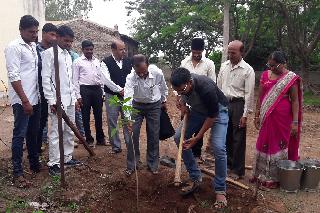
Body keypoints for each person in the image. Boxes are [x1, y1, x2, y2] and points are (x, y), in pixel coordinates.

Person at [171, 68, 229, 209]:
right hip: (198, 110)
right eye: (176, 91)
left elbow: (212, 116)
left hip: (217, 112)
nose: (179, 93)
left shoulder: (206, 88)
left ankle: (220, 189)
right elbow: (181, 96)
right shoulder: (182, 85)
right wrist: (183, 105)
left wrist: (197, 137)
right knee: (179, 137)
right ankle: (195, 176)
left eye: (182, 90)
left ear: (189, 82)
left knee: (218, 147)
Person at [251, 51, 302, 188]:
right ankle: (260, 175)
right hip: (266, 117)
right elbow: (260, 97)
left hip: (283, 119)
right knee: (264, 142)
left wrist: (295, 122)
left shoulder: (290, 78)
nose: (272, 68)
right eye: (270, 65)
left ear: (283, 63)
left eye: (275, 66)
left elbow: (295, 101)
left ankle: (276, 178)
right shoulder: (265, 75)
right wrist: (257, 114)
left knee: (278, 145)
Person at [5, 15, 40, 187]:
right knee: (19, 134)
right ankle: (17, 172)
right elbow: (14, 76)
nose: (35, 34)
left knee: (33, 133)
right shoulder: (14, 47)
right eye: (31, 32)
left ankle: (34, 164)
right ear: (21, 30)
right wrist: (25, 101)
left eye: (36, 31)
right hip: (22, 100)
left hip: (35, 98)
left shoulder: (33, 46)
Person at [42, 25, 81, 176]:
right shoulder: (49, 54)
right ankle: (54, 163)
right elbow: (45, 78)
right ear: (57, 37)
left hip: (69, 98)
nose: (68, 44)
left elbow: (70, 80)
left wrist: (75, 98)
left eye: (71, 41)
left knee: (70, 129)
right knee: (56, 132)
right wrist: (51, 100)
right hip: (57, 100)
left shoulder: (67, 55)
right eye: (66, 40)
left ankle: (67, 157)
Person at [124, 54, 168, 175]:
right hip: (136, 106)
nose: (142, 75)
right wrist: (128, 118)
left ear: (148, 65)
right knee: (131, 134)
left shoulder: (158, 73)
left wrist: (164, 101)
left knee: (153, 135)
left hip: (154, 106)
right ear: (134, 68)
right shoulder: (130, 77)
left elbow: (163, 88)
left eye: (144, 71)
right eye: (139, 72)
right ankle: (132, 164)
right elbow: (127, 97)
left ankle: (153, 164)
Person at [217, 40, 255, 179]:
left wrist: (245, 115)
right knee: (225, 135)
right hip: (224, 104)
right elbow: (219, 87)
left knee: (238, 137)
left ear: (241, 52)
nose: (230, 55)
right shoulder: (223, 66)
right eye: (229, 52)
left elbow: (249, 94)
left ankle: (237, 170)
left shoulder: (248, 70)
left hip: (239, 105)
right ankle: (228, 165)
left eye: (233, 52)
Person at [180, 37, 216, 162]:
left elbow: (212, 83)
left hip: (202, 103)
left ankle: (197, 154)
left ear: (202, 50)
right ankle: (186, 153)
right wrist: (181, 101)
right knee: (186, 128)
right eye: (194, 51)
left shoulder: (209, 64)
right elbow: (179, 83)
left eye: (198, 52)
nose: (196, 54)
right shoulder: (184, 63)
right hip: (186, 100)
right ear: (191, 50)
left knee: (199, 127)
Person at [101, 40, 132, 153]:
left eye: (124, 49)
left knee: (127, 120)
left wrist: (127, 91)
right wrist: (119, 90)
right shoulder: (105, 62)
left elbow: (132, 77)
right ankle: (116, 146)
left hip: (127, 96)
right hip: (112, 96)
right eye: (121, 49)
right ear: (113, 50)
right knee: (112, 121)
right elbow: (106, 80)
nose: (124, 51)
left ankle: (130, 145)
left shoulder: (129, 61)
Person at [73, 40, 106, 146]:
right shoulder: (77, 62)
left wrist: (103, 92)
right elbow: (75, 80)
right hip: (84, 90)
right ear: (82, 50)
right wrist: (78, 95)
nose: (89, 51)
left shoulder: (97, 61)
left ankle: (100, 139)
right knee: (85, 116)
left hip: (97, 90)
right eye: (87, 49)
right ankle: (89, 139)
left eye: (91, 49)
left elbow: (101, 78)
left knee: (98, 115)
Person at [36, 23, 57, 154]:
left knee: (50, 118)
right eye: (52, 34)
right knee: (39, 120)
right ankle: (38, 146)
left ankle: (47, 144)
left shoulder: (56, 51)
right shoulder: (36, 49)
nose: (54, 38)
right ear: (43, 33)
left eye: (56, 35)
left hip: (53, 89)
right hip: (39, 89)